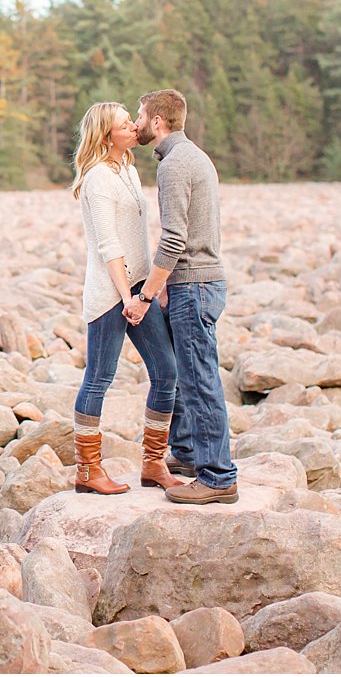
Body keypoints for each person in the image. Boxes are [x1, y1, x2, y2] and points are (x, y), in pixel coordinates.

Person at [123, 88, 237, 504]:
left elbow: (173, 239)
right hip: (197, 281)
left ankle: (219, 477)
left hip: (194, 284)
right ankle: (188, 454)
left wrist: (148, 294)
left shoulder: (173, 166)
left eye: (139, 116)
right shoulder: (195, 157)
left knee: (198, 379)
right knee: (190, 374)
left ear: (157, 122)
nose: (135, 124)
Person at [71, 101, 183, 495]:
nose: (134, 128)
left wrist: (153, 287)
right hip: (110, 293)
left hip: (138, 288)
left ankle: (153, 463)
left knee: (166, 371)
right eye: (125, 124)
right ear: (107, 135)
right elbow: (108, 245)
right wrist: (126, 298)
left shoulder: (130, 170)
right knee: (99, 378)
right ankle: (88, 470)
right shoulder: (98, 177)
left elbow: (139, 236)